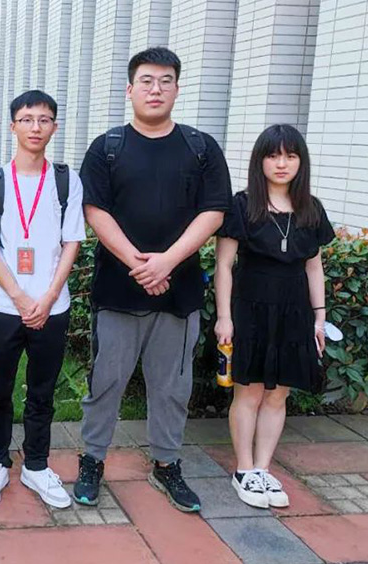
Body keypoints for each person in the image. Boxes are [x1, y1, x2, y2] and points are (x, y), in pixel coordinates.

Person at [74, 46, 232, 512]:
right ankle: (92, 459)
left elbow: (214, 211)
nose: (155, 89)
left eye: (165, 81)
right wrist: (139, 264)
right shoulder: (107, 147)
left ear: (177, 89)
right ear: (130, 89)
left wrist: (167, 262)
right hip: (117, 291)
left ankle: (167, 463)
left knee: (172, 387)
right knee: (106, 382)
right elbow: (94, 210)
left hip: (179, 295)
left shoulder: (201, 148)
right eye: (146, 80)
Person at [0, 90, 86, 510]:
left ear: (54, 126)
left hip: (53, 307)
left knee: (42, 392)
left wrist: (49, 296)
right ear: (12, 126)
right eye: (26, 119)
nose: (35, 127)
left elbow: (72, 242)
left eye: (44, 120)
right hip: (3, 306)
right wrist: (20, 297)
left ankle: (36, 464)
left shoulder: (67, 180)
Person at [215, 124, 334, 509]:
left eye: (290, 155)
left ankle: (263, 469)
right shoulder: (242, 205)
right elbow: (224, 265)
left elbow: (314, 267)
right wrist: (224, 318)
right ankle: (244, 470)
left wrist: (319, 318)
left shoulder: (311, 209)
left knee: (279, 393)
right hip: (250, 308)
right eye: (273, 155)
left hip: (294, 310)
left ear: (301, 161)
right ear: (260, 161)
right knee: (248, 391)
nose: (282, 163)